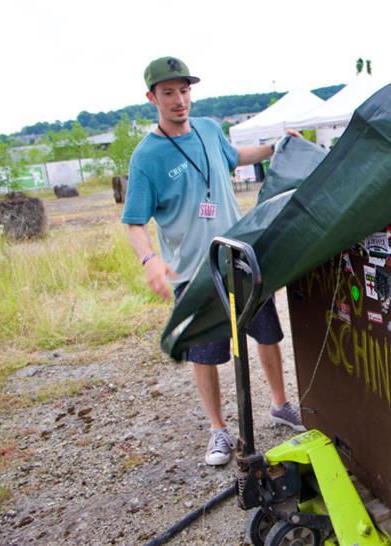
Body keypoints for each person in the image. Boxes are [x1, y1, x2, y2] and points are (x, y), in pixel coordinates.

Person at [121, 56, 305, 467]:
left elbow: (235, 155)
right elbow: (134, 223)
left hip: (241, 257)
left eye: (184, 91)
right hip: (195, 274)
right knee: (205, 354)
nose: (179, 100)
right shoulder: (146, 157)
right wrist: (149, 259)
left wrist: (274, 147)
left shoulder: (207, 129)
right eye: (169, 93)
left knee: (268, 334)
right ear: (152, 97)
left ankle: (280, 404)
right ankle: (218, 429)